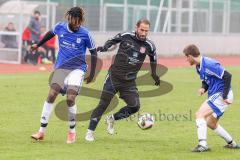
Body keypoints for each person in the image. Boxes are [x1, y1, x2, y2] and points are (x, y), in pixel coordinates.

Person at [85, 18, 160, 141]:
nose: (144, 33)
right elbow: (112, 40)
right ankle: (90, 132)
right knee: (103, 104)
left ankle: (112, 119)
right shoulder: (126, 36)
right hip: (113, 78)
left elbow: (153, 60)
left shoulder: (149, 45)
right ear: (136, 27)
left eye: (146, 31)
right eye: (142, 30)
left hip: (129, 82)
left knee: (135, 106)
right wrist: (105, 47)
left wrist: (154, 75)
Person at [30, 6, 97, 144]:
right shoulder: (60, 27)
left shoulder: (85, 34)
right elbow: (49, 34)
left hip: (77, 69)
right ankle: (41, 131)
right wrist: (38, 44)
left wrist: (92, 73)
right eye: (74, 21)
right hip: (61, 68)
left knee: (70, 98)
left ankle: (72, 131)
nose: (77, 24)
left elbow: (94, 52)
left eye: (79, 21)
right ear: (69, 18)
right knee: (51, 95)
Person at [183, 44, 240, 152]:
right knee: (211, 123)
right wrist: (203, 89)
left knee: (199, 114)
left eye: (186, 57)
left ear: (190, 56)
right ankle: (232, 143)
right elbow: (206, 81)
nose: (186, 60)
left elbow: (227, 76)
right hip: (217, 94)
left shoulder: (209, 64)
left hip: (221, 94)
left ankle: (202, 145)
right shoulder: (198, 66)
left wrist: (224, 95)